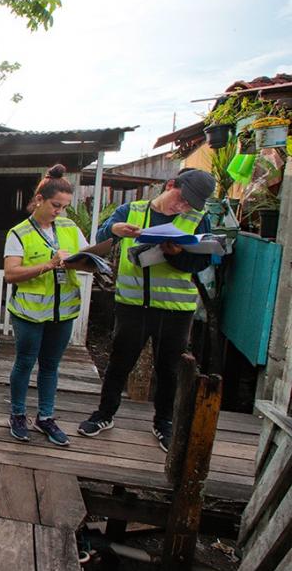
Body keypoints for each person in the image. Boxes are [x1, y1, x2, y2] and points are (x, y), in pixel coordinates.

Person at [77, 168, 216, 452]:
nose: (183, 206)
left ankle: (163, 423)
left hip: (175, 309)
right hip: (132, 304)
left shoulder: (198, 219)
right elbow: (101, 240)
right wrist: (113, 229)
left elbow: (201, 263)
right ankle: (105, 415)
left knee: (169, 369)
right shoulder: (132, 210)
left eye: (190, 203)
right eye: (182, 198)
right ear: (170, 185)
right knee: (119, 363)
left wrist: (175, 255)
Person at [3, 164, 88, 446]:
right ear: (39, 200)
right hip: (29, 313)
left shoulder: (69, 227)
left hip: (63, 312)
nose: (59, 212)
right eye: (55, 205)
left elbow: (85, 256)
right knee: (25, 363)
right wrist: (48, 265)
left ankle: (46, 417)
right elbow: (11, 274)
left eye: (64, 207)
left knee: (51, 366)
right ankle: (17, 414)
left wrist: (93, 262)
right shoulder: (18, 233)